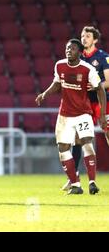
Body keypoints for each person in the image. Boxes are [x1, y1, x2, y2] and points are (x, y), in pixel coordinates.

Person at [35, 38, 107, 195]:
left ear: (79, 52)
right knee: (63, 149)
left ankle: (92, 182)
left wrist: (102, 114)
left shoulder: (88, 69)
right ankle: (75, 185)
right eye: (67, 48)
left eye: (73, 48)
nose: (69, 51)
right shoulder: (59, 65)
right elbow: (57, 83)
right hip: (65, 115)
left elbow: (100, 90)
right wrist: (44, 94)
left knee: (87, 142)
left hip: (83, 114)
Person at [62, 26, 109, 191]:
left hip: (102, 102)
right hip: (83, 104)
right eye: (82, 35)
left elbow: (108, 82)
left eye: (88, 36)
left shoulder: (103, 57)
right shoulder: (78, 58)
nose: (84, 38)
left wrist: (95, 85)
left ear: (95, 39)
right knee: (76, 140)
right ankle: (74, 178)